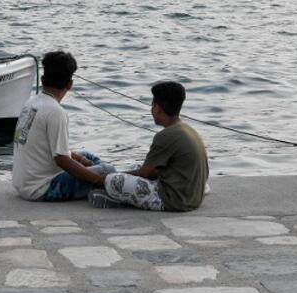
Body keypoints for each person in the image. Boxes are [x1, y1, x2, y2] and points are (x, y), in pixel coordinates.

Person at [11, 51, 116, 201]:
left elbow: (56, 151)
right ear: (70, 84)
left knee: (85, 155)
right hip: (43, 188)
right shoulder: (55, 112)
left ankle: (98, 175)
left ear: (42, 79)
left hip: (22, 183)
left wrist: (83, 162)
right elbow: (62, 160)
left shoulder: (31, 103)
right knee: (108, 170)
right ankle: (105, 188)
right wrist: (97, 180)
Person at [88, 81, 209, 212]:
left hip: (174, 200)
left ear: (157, 108)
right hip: (194, 196)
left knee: (113, 180)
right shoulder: (187, 129)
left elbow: (145, 173)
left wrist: (106, 177)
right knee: (134, 167)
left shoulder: (166, 135)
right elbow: (153, 170)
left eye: (152, 106)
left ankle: (118, 199)